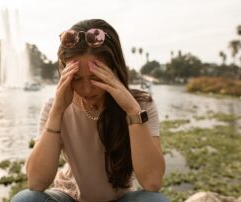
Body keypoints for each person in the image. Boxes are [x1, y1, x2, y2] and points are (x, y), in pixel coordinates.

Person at [12, 19, 169, 202]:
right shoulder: (54, 106)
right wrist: (57, 112)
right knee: (26, 200)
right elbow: (36, 183)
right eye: (76, 78)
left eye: (95, 77)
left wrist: (132, 110)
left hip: (120, 199)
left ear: (114, 69)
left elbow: (153, 183)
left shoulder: (141, 105)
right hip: (69, 197)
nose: (86, 89)